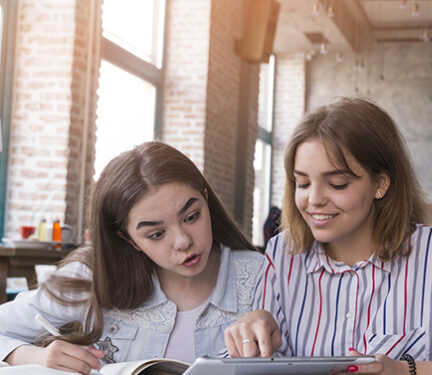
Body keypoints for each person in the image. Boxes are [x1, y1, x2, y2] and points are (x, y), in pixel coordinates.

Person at [223, 98, 432, 374]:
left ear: (380, 184)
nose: (314, 199)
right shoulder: (281, 255)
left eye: (337, 184)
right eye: (302, 184)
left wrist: (406, 370)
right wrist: (251, 333)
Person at [0, 142, 265, 374]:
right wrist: (34, 356)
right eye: (157, 233)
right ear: (127, 239)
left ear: (205, 200)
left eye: (192, 216)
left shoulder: (262, 278)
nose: (183, 241)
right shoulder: (92, 278)